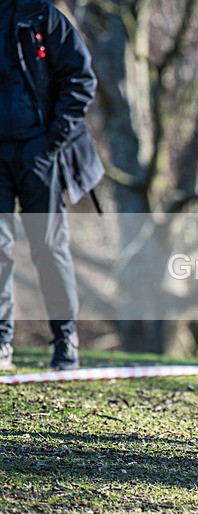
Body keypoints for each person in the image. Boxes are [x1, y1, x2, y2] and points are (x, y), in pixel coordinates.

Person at [0, 0, 104, 371]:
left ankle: (65, 339)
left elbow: (81, 80)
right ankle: (2, 342)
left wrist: (51, 141)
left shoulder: (44, 17)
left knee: (48, 247)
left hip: (39, 152)